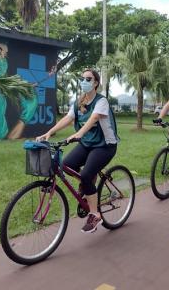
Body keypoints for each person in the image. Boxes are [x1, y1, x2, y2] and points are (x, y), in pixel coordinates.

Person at [36, 69, 119, 233]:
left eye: (88, 79)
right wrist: (49, 132)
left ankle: (95, 214)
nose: (85, 81)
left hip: (105, 145)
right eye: (83, 78)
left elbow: (93, 118)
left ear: (95, 83)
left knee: (87, 175)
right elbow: (68, 118)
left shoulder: (101, 101)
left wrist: (78, 134)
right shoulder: (78, 102)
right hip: (87, 143)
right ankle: (88, 182)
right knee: (66, 164)